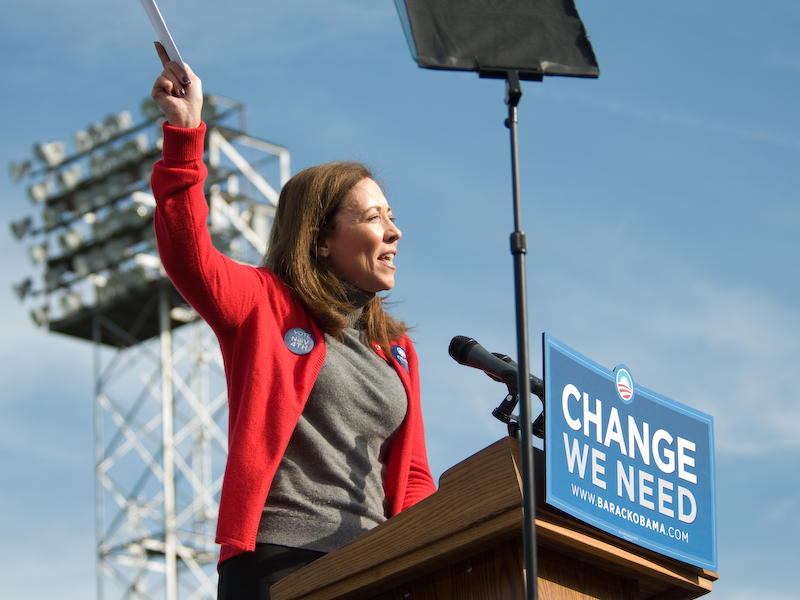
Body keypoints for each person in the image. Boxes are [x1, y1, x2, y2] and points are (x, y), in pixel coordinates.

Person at [149, 43, 437, 599]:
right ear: (322, 240)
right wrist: (185, 136)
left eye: (392, 216)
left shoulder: (397, 350)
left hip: (377, 568)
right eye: (373, 218)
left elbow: (415, 476)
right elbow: (189, 256)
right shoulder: (264, 302)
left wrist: (430, 559)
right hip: (278, 564)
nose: (394, 232)